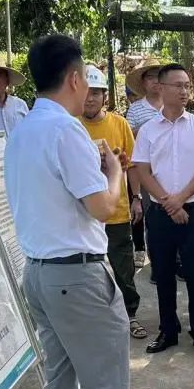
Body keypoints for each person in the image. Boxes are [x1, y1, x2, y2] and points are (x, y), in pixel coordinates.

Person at [5, 34, 166, 389]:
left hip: (39, 274)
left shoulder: (22, 131)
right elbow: (101, 206)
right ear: (74, 79)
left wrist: (96, 165)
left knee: (60, 387)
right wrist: (114, 172)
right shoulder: (66, 131)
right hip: (77, 277)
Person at [133, 63, 194, 356]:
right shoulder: (148, 130)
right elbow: (143, 171)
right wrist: (168, 203)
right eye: (178, 85)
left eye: (187, 85)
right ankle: (168, 331)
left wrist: (180, 199)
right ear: (161, 88)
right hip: (160, 215)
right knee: (163, 275)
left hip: (192, 212)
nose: (184, 91)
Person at [79, 64, 147, 340]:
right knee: (86, 271)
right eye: (86, 92)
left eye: (96, 93)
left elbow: (132, 166)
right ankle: (95, 321)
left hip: (117, 211)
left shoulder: (119, 124)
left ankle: (130, 315)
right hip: (83, 215)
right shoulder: (71, 126)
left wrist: (136, 198)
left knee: (123, 268)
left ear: (105, 97)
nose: (90, 99)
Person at [126, 59, 166, 275]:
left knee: (172, 214)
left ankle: (174, 260)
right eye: (151, 77)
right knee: (150, 215)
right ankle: (154, 260)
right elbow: (128, 138)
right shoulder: (135, 109)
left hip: (171, 170)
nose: (156, 81)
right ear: (143, 82)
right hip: (145, 171)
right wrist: (146, 129)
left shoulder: (172, 105)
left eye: (159, 76)